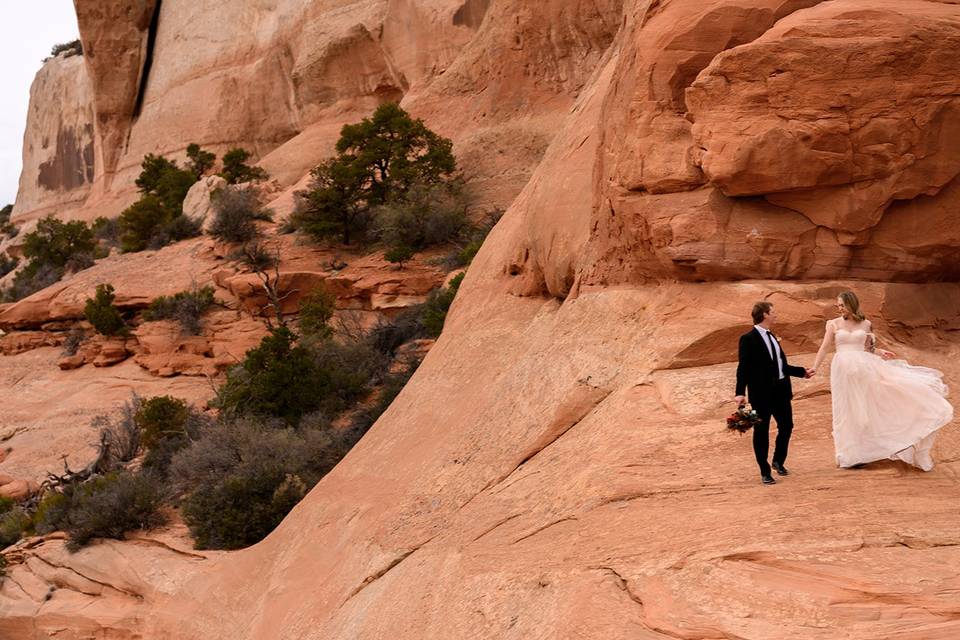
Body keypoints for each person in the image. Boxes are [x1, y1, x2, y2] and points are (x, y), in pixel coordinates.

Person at [809, 291, 953, 471]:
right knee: (845, 411)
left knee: (869, 407)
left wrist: (881, 352)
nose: (839, 309)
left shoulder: (866, 323)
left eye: (842, 305)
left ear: (851, 304)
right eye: (837, 305)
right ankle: (848, 456)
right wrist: (815, 367)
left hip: (865, 368)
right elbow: (824, 348)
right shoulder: (833, 324)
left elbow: (869, 348)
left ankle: (886, 447)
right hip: (842, 371)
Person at [735, 301, 813, 485]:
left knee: (787, 426)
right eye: (773, 312)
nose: (776, 315)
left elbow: (781, 366)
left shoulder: (772, 337)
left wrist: (802, 372)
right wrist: (739, 392)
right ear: (764, 315)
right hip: (761, 395)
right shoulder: (748, 339)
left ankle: (778, 461)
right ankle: (764, 471)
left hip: (781, 391)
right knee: (761, 432)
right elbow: (743, 367)